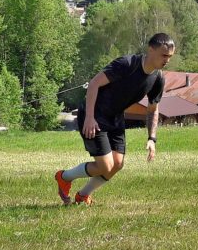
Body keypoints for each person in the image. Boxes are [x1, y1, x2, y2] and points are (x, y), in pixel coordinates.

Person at [55, 32, 175, 205]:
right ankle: (64, 177)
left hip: (115, 118)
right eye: (164, 55)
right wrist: (89, 117)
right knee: (105, 166)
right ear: (151, 49)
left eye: (170, 56)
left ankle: (83, 195)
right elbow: (94, 84)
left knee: (117, 164)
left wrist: (152, 138)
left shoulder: (158, 78)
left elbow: (153, 109)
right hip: (94, 114)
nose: (167, 60)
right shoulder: (126, 64)